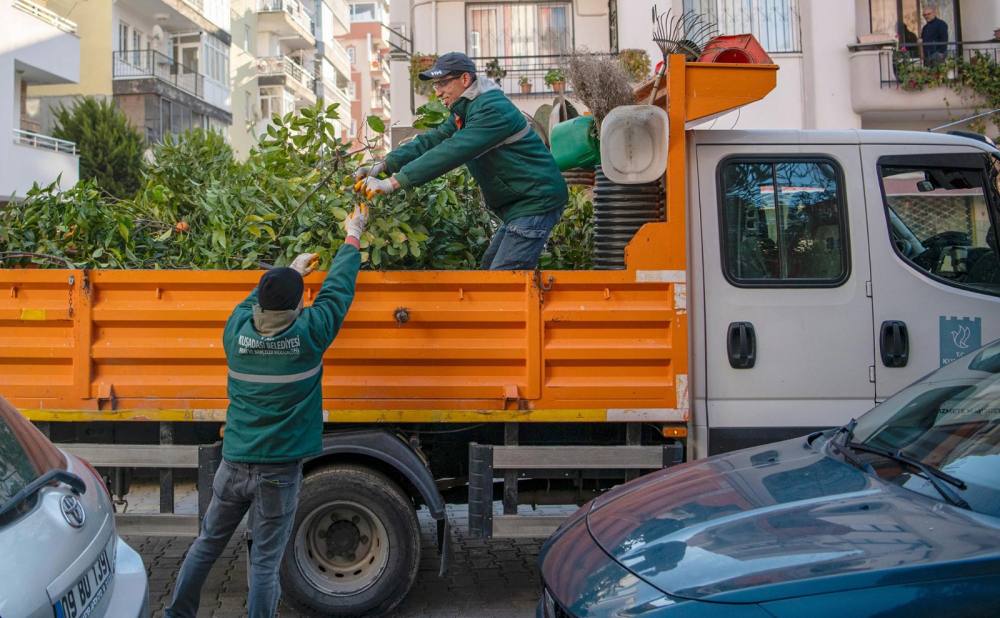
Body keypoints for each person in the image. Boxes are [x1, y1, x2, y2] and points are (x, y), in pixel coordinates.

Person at [164, 205, 368, 618]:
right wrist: (353, 236)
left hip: (234, 464)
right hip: (278, 471)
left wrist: (288, 271)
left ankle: (175, 614)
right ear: (298, 305)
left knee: (206, 544)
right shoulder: (309, 335)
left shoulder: (235, 334)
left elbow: (249, 301)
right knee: (265, 563)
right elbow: (338, 291)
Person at [354, 52, 568, 270]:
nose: (437, 92)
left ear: (465, 79)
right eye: (435, 85)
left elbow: (451, 151)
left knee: (502, 285)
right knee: (489, 274)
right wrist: (385, 164)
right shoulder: (467, 110)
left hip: (536, 201)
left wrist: (392, 182)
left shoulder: (491, 109)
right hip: (522, 203)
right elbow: (433, 140)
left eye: (443, 84)